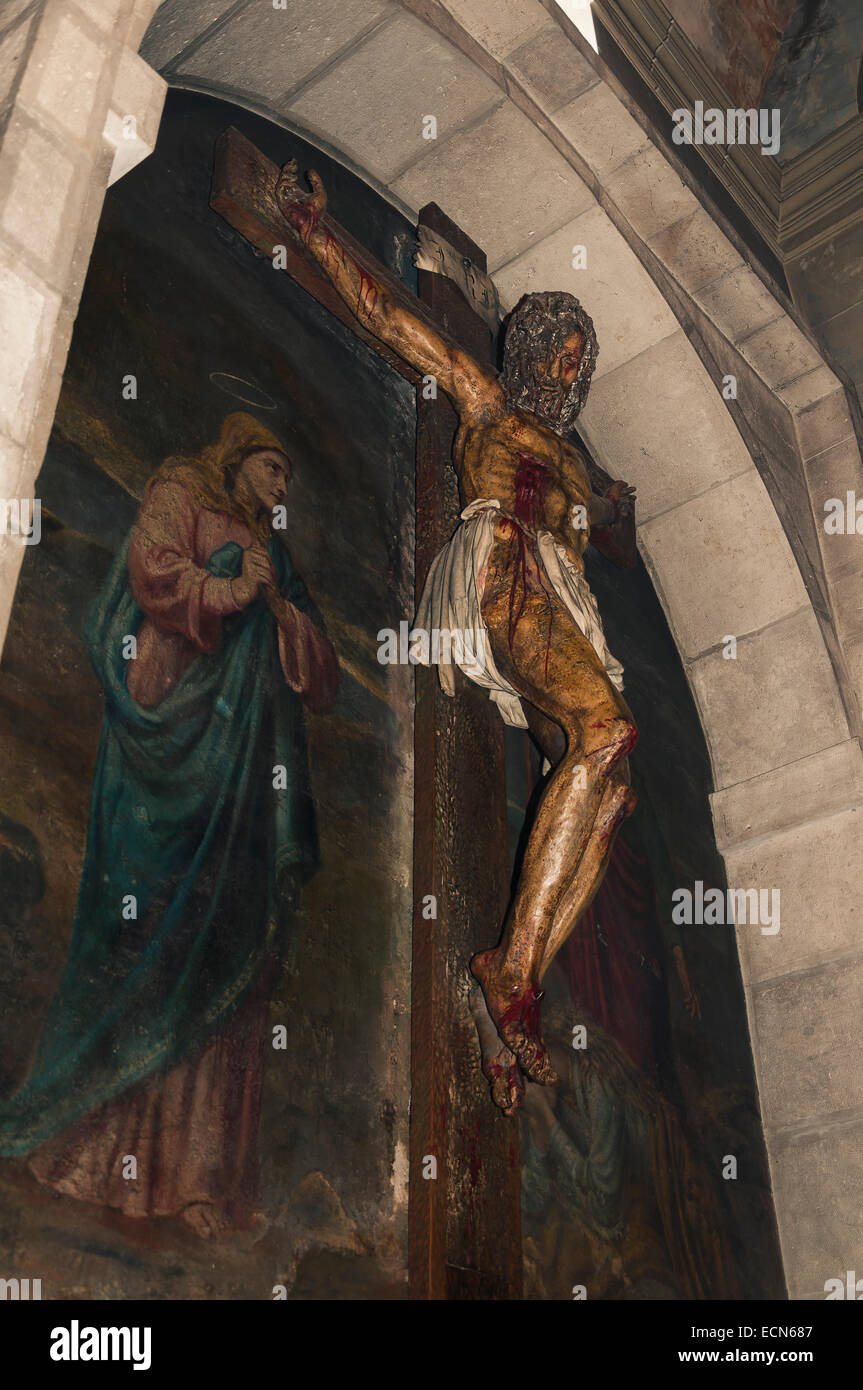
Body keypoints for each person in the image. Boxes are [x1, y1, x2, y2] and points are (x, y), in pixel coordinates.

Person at [276, 160, 636, 1113]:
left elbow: (606, 515)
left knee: (611, 791)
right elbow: (392, 321)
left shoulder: (571, 458)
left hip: (564, 600)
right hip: (503, 566)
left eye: (581, 360)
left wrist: (615, 510)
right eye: (561, 349)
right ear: (527, 350)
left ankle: (513, 977)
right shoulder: (489, 402)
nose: (571, 370)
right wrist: (314, 229)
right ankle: (508, 975)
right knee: (604, 734)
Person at [0, 412, 339, 1237]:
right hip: (169, 749)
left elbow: (319, 667)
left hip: (242, 782)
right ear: (236, 456)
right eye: (272, 467)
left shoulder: (274, 554)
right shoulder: (180, 493)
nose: (281, 486)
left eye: (287, 476)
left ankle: (199, 1182)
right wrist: (228, 586)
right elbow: (153, 575)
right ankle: (87, 1152)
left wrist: (280, 612)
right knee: (146, 937)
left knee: (226, 951)